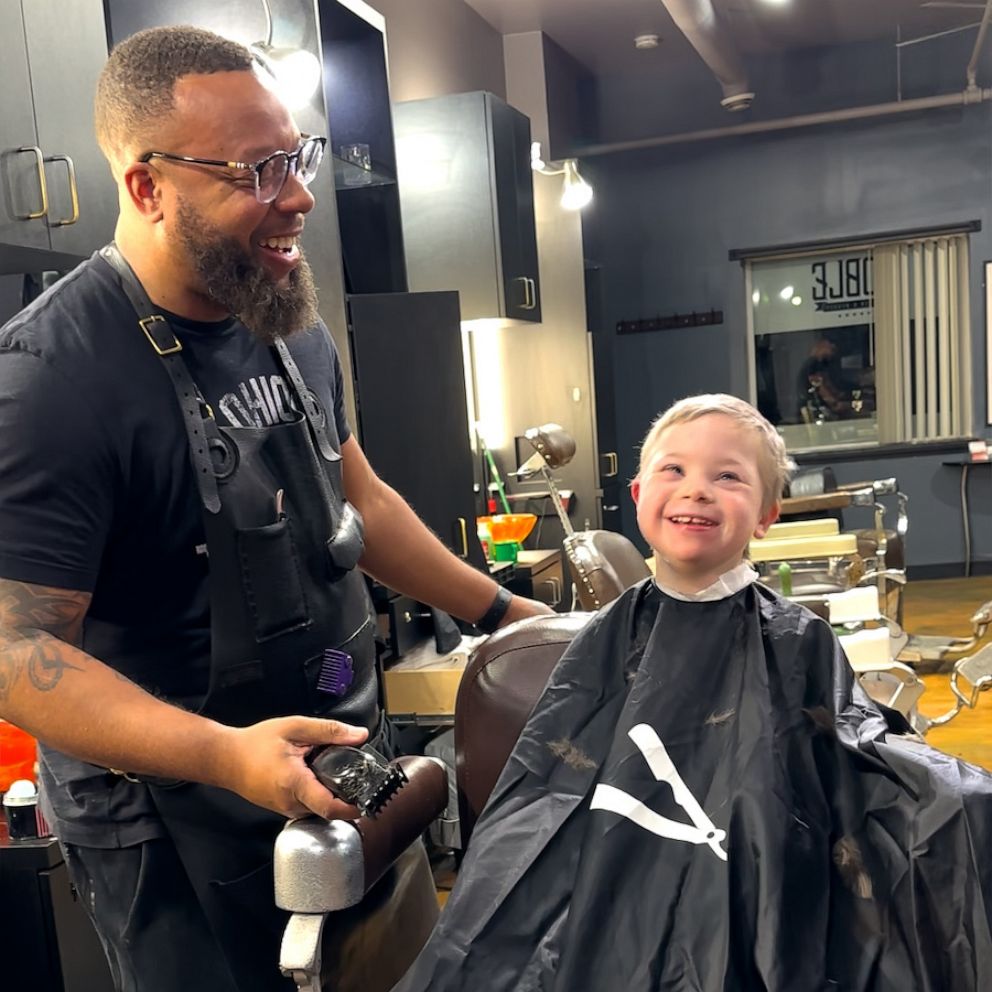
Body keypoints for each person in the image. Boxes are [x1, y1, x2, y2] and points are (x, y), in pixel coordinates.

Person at [0, 25, 550, 992]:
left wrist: (504, 614)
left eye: (293, 157)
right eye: (256, 170)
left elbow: (358, 500)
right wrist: (225, 755)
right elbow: (13, 655)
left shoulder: (282, 323)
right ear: (147, 186)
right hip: (169, 820)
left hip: (331, 765)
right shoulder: (52, 379)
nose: (296, 195)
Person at [395, 394, 992, 992]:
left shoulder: (796, 637)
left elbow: (851, 747)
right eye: (673, 470)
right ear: (638, 497)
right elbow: (543, 789)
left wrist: (959, 794)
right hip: (604, 892)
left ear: (766, 514)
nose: (696, 489)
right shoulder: (604, 640)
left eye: (727, 475)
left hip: (752, 887)